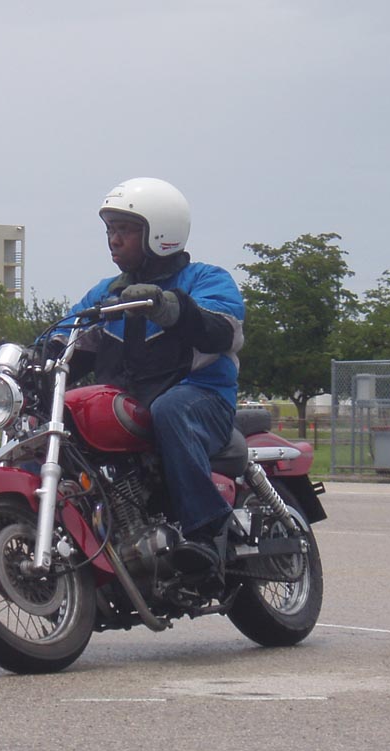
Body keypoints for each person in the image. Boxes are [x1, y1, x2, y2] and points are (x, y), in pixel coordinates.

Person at [68, 177, 245, 582]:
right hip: (128, 406)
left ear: (161, 233)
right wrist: (24, 356)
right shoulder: (107, 294)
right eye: (110, 230)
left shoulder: (205, 279)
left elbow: (223, 330)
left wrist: (169, 308)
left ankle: (204, 534)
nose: (113, 240)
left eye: (125, 230)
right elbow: (68, 336)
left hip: (200, 398)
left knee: (170, 409)